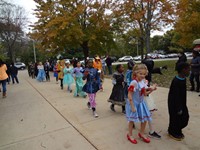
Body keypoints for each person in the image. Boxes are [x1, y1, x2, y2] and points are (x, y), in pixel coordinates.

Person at [126, 64, 157, 144]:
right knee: (132, 120)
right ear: (136, 73)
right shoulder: (134, 82)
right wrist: (132, 106)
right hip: (134, 103)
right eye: (140, 74)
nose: (143, 75)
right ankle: (130, 135)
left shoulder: (143, 82)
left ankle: (142, 133)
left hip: (141, 103)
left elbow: (145, 94)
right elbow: (129, 94)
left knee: (145, 119)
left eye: (144, 74)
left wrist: (152, 89)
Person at [168, 62, 190, 141]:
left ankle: (177, 130)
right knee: (175, 118)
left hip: (182, 103)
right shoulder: (176, 81)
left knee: (184, 118)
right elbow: (175, 96)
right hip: (175, 104)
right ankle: (172, 132)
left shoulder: (183, 79)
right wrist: (178, 108)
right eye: (188, 70)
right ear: (183, 70)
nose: (189, 71)